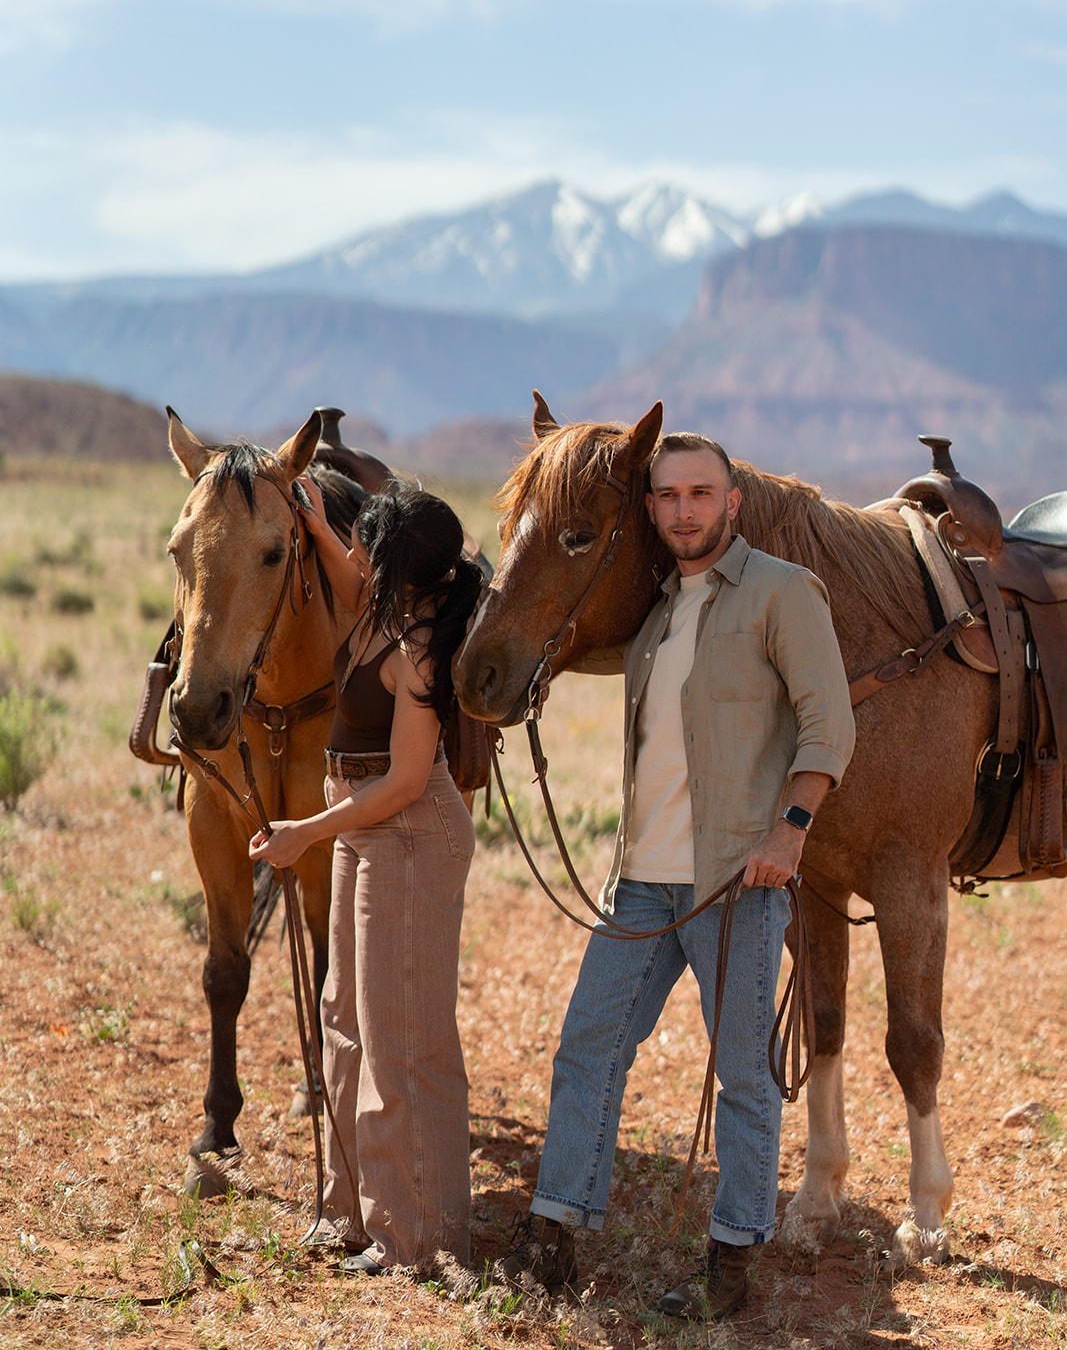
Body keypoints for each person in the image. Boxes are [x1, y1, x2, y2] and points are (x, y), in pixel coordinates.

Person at [501, 432, 855, 1318]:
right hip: (641, 886)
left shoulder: (781, 592)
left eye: (702, 493)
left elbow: (828, 727)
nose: (685, 509)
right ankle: (552, 1234)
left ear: (731, 503)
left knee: (742, 1074)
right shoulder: (653, 614)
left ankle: (732, 1261)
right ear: (649, 510)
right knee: (587, 1049)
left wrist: (791, 831)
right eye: (667, 496)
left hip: (735, 885)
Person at [250, 479, 483, 1274]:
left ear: (395, 568)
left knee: (402, 1039)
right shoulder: (387, 609)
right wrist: (313, 525)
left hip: (407, 834)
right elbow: (349, 578)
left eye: (363, 543)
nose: (351, 555)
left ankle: (416, 1237)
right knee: (346, 1017)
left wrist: (305, 831)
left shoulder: (419, 651)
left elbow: (408, 781)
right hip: (365, 829)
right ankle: (353, 1212)